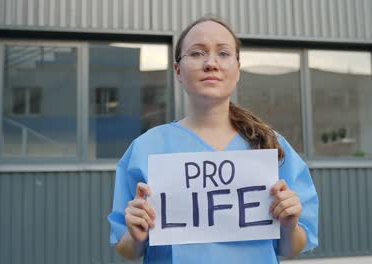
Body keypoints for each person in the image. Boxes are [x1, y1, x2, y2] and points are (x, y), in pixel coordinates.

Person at [108, 16, 319, 263]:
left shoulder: (271, 146)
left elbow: (290, 248)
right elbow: (127, 249)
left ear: (237, 69)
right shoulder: (146, 148)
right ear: (178, 70)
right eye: (197, 53)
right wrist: (136, 235)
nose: (211, 63)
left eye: (223, 53)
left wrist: (288, 225)